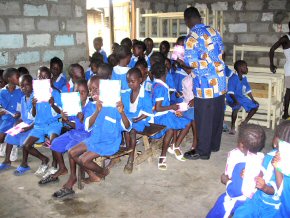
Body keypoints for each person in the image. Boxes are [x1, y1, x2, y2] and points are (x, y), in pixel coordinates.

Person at [53, 75, 131, 198]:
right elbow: (88, 125)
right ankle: (98, 173)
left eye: (96, 89)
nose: (92, 92)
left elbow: (127, 127)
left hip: (109, 142)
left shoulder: (115, 106)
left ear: (105, 90)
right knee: (71, 152)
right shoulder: (93, 106)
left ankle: (103, 172)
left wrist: (122, 112)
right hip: (94, 138)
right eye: (91, 89)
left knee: (84, 159)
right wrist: (97, 111)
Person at [182, 7, 226, 160]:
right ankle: (214, 145)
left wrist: (181, 62)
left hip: (205, 85)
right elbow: (221, 51)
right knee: (217, 116)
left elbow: (190, 62)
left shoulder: (191, 38)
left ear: (187, 20)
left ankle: (203, 151)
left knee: (204, 120)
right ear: (199, 18)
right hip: (219, 81)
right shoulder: (213, 31)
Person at [39, 80, 92, 184]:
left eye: (83, 92)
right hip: (76, 132)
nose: (80, 95)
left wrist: (82, 120)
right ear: (73, 92)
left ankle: (72, 177)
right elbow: (73, 125)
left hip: (87, 135)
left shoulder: (91, 106)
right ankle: (62, 168)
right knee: (55, 143)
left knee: (70, 149)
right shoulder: (73, 105)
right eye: (77, 92)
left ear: (88, 93)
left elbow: (90, 127)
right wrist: (66, 119)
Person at [207, 124, 265, 218]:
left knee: (218, 211)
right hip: (254, 199)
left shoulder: (240, 167)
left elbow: (234, 191)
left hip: (238, 201)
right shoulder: (262, 157)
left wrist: (226, 181)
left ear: (241, 145)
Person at [234, 122, 290, 217]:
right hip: (258, 198)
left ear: (277, 141)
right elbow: (262, 171)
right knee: (241, 214)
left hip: (274, 206)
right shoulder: (270, 155)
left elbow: (280, 192)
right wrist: (250, 174)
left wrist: (265, 187)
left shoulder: (287, 170)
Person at [18, 66, 62, 177]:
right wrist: (33, 105)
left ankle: (54, 164)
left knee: (54, 142)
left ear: (50, 79)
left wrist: (53, 104)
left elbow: (61, 113)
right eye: (39, 77)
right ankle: (44, 159)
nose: (42, 79)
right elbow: (32, 115)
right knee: (26, 146)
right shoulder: (34, 94)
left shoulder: (55, 93)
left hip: (53, 124)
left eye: (45, 77)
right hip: (39, 125)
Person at [151, 62, 191, 170]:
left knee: (175, 121)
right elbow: (159, 107)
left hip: (161, 115)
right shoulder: (161, 88)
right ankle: (174, 146)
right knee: (187, 122)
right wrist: (172, 107)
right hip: (161, 117)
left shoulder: (156, 84)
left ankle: (165, 155)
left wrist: (172, 109)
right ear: (166, 73)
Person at [0, 75, 34, 172]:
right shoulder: (23, 99)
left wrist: (28, 127)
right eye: (21, 86)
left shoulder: (36, 98)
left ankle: (24, 164)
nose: (24, 88)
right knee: (10, 135)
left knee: (24, 140)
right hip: (25, 123)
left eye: (26, 85)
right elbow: (23, 116)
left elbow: (39, 118)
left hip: (35, 125)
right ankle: (7, 161)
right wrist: (17, 123)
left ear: (32, 84)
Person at [122, 68, 153, 174]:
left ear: (140, 80)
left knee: (132, 131)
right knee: (123, 127)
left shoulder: (145, 95)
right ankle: (128, 148)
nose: (130, 84)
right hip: (130, 118)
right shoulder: (127, 93)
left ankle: (130, 159)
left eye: (133, 81)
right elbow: (124, 109)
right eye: (128, 82)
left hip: (141, 120)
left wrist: (137, 119)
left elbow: (147, 112)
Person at [226, 60, 259, 135]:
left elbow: (248, 90)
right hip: (231, 97)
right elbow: (230, 92)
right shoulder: (233, 78)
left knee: (255, 106)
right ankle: (232, 127)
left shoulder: (244, 78)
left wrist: (253, 99)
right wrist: (235, 101)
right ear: (240, 68)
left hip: (240, 97)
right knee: (237, 106)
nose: (247, 68)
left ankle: (244, 122)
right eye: (245, 67)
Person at [0, 68, 22, 160]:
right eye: (17, 77)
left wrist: (20, 113)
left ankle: (14, 146)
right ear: (9, 79)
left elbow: (24, 105)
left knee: (14, 130)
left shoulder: (21, 91)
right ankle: (5, 142)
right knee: (1, 137)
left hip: (18, 119)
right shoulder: (2, 92)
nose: (19, 78)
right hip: (6, 118)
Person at [269, 22, 290, 119]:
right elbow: (272, 49)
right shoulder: (285, 38)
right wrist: (271, 64)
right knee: (289, 91)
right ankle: (285, 113)